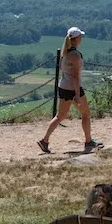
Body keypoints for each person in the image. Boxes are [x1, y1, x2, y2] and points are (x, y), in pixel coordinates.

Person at [38, 26, 102, 154]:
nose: (81, 39)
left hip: (63, 87)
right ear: (77, 39)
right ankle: (88, 141)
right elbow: (75, 75)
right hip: (73, 89)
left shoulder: (64, 53)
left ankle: (45, 140)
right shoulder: (75, 55)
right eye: (80, 37)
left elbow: (65, 73)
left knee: (60, 116)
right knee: (86, 114)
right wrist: (77, 94)